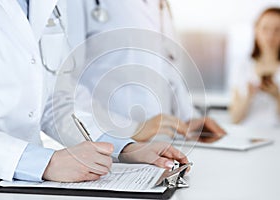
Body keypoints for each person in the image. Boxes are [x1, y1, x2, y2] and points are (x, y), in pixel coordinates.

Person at [0, 0, 189, 183]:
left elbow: (54, 102)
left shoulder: (48, 5)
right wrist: (42, 162)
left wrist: (124, 148)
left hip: (23, 184)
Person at [69, 0, 226, 143]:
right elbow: (64, 83)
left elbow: (166, 67)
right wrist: (130, 128)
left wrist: (189, 119)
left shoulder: (160, 5)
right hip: (109, 145)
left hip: (164, 142)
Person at [230, 7, 280, 128]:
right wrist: (248, 95)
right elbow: (234, 118)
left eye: (277, 30)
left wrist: (277, 96)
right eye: (265, 29)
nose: (270, 36)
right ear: (256, 30)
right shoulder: (243, 67)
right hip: (248, 136)